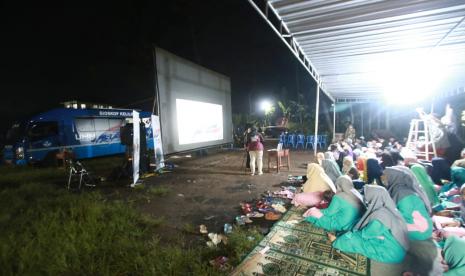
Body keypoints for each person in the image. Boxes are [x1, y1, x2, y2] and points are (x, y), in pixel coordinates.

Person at [330, 185, 409, 264]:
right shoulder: (387, 207)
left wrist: (340, 239)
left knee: (360, 243)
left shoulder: (380, 217)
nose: (365, 199)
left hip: (392, 252)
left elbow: (363, 235)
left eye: (367, 198)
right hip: (392, 242)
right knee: (356, 224)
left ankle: (337, 242)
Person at [383, 166, 433, 241]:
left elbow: (402, 217)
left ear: (394, 177)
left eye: (386, 176)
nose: (383, 178)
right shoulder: (401, 190)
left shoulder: (403, 193)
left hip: (419, 232)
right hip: (424, 229)